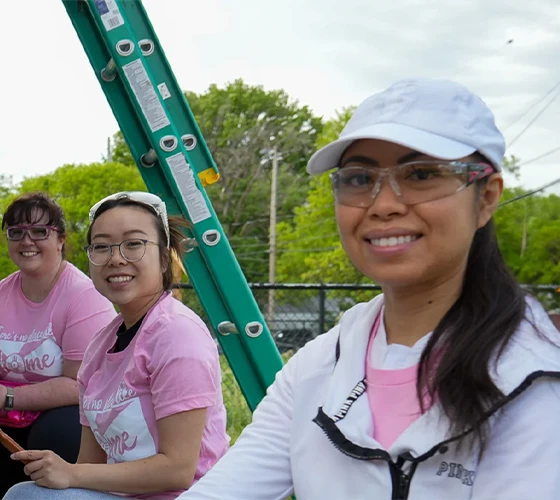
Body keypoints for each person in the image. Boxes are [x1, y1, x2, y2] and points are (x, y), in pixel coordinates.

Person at [178, 78, 560, 499]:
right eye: (359, 179)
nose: (383, 204)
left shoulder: (535, 381)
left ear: (486, 197)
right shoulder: (321, 365)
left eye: (421, 174)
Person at [3, 191, 229, 500]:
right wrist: (67, 475)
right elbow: (89, 464)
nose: (116, 257)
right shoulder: (101, 344)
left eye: (134, 243)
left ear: (164, 256)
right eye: (102, 246)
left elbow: (178, 469)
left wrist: (70, 473)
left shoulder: (177, 334)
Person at [0, 191, 117, 500]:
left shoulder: (85, 297)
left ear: (61, 239)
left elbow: (83, 385)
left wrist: (10, 396)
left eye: (39, 231)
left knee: (57, 432)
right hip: (4, 415)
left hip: (62, 415)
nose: (26, 241)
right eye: (16, 232)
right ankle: (13, 494)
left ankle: (61, 493)